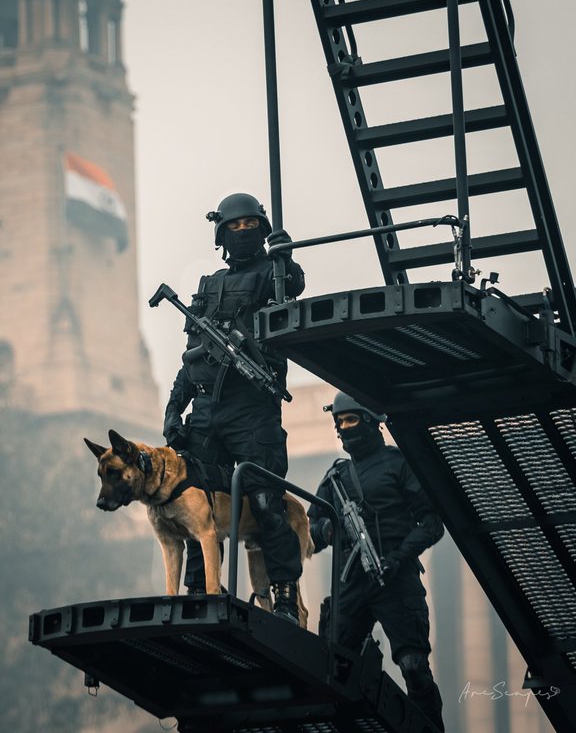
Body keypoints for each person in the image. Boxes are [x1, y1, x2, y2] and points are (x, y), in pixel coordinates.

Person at [162, 191, 305, 620]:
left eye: (251, 226)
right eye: (235, 227)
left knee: (265, 504)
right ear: (222, 234)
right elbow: (191, 359)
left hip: (252, 412)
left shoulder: (270, 274)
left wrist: (285, 258)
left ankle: (282, 593)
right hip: (206, 412)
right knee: (193, 503)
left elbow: (292, 288)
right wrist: (174, 409)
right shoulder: (207, 286)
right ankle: (197, 588)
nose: (244, 233)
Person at [310, 393, 445, 730]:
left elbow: (431, 523)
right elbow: (310, 528)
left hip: (395, 579)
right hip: (350, 583)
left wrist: (398, 558)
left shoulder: (398, 464)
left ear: (370, 421)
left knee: (414, 666)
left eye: (350, 419)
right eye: (339, 422)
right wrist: (329, 529)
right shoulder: (335, 477)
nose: (343, 427)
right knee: (335, 669)